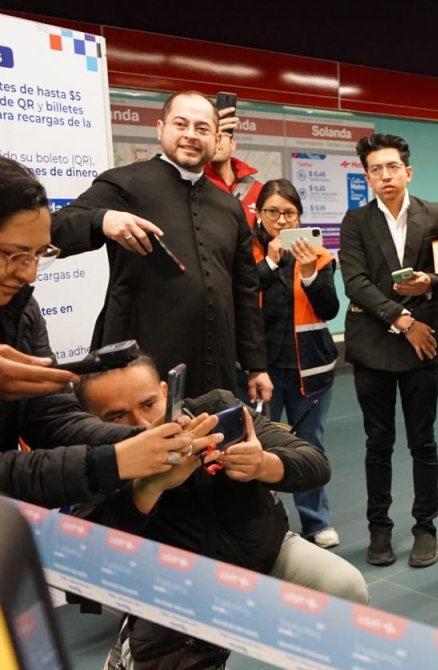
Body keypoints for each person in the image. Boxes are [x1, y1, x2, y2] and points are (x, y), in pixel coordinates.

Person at [74, 355, 368, 670]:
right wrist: (148, 487)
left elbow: (315, 463)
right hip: (177, 594)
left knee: (344, 586)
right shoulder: (91, 458)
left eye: (148, 405)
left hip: (258, 555)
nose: (142, 424)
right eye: (116, 416)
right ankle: (129, 648)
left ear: (165, 391)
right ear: (91, 420)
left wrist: (264, 464)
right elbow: (87, 551)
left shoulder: (216, 411)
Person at [0, 157, 198, 508]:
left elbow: (52, 418)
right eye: (12, 255)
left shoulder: (22, 313)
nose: (29, 274)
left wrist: (147, 437)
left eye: (37, 255)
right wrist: (113, 462)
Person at [51, 90, 271, 402]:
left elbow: (245, 292)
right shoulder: (124, 184)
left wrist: (256, 366)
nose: (191, 135)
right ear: (160, 129)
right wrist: (102, 219)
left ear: (217, 138)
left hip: (215, 367)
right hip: (140, 369)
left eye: (202, 128)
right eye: (181, 124)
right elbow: (51, 230)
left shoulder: (229, 207)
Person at [340, 133, 438, 568]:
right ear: (367, 176)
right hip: (375, 346)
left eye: (392, 167)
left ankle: (426, 527)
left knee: (423, 442)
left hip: (424, 348)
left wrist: (430, 283)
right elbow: (355, 282)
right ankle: (379, 529)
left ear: (408, 171)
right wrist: (404, 321)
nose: (384, 176)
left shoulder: (436, 216)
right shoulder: (355, 221)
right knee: (377, 443)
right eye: (375, 170)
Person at [251, 179, 341, 549]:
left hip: (310, 368)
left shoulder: (317, 255)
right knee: (258, 446)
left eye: (290, 213)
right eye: (273, 212)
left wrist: (308, 274)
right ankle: (264, 523)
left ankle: (317, 522)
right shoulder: (247, 253)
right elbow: (240, 296)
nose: (281, 221)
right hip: (259, 370)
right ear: (259, 215)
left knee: (308, 444)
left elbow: (329, 309)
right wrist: (271, 261)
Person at [204, 122, 263, 232]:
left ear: (233, 143)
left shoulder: (259, 190)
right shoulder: (193, 185)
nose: (217, 140)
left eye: (222, 134)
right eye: (212, 135)